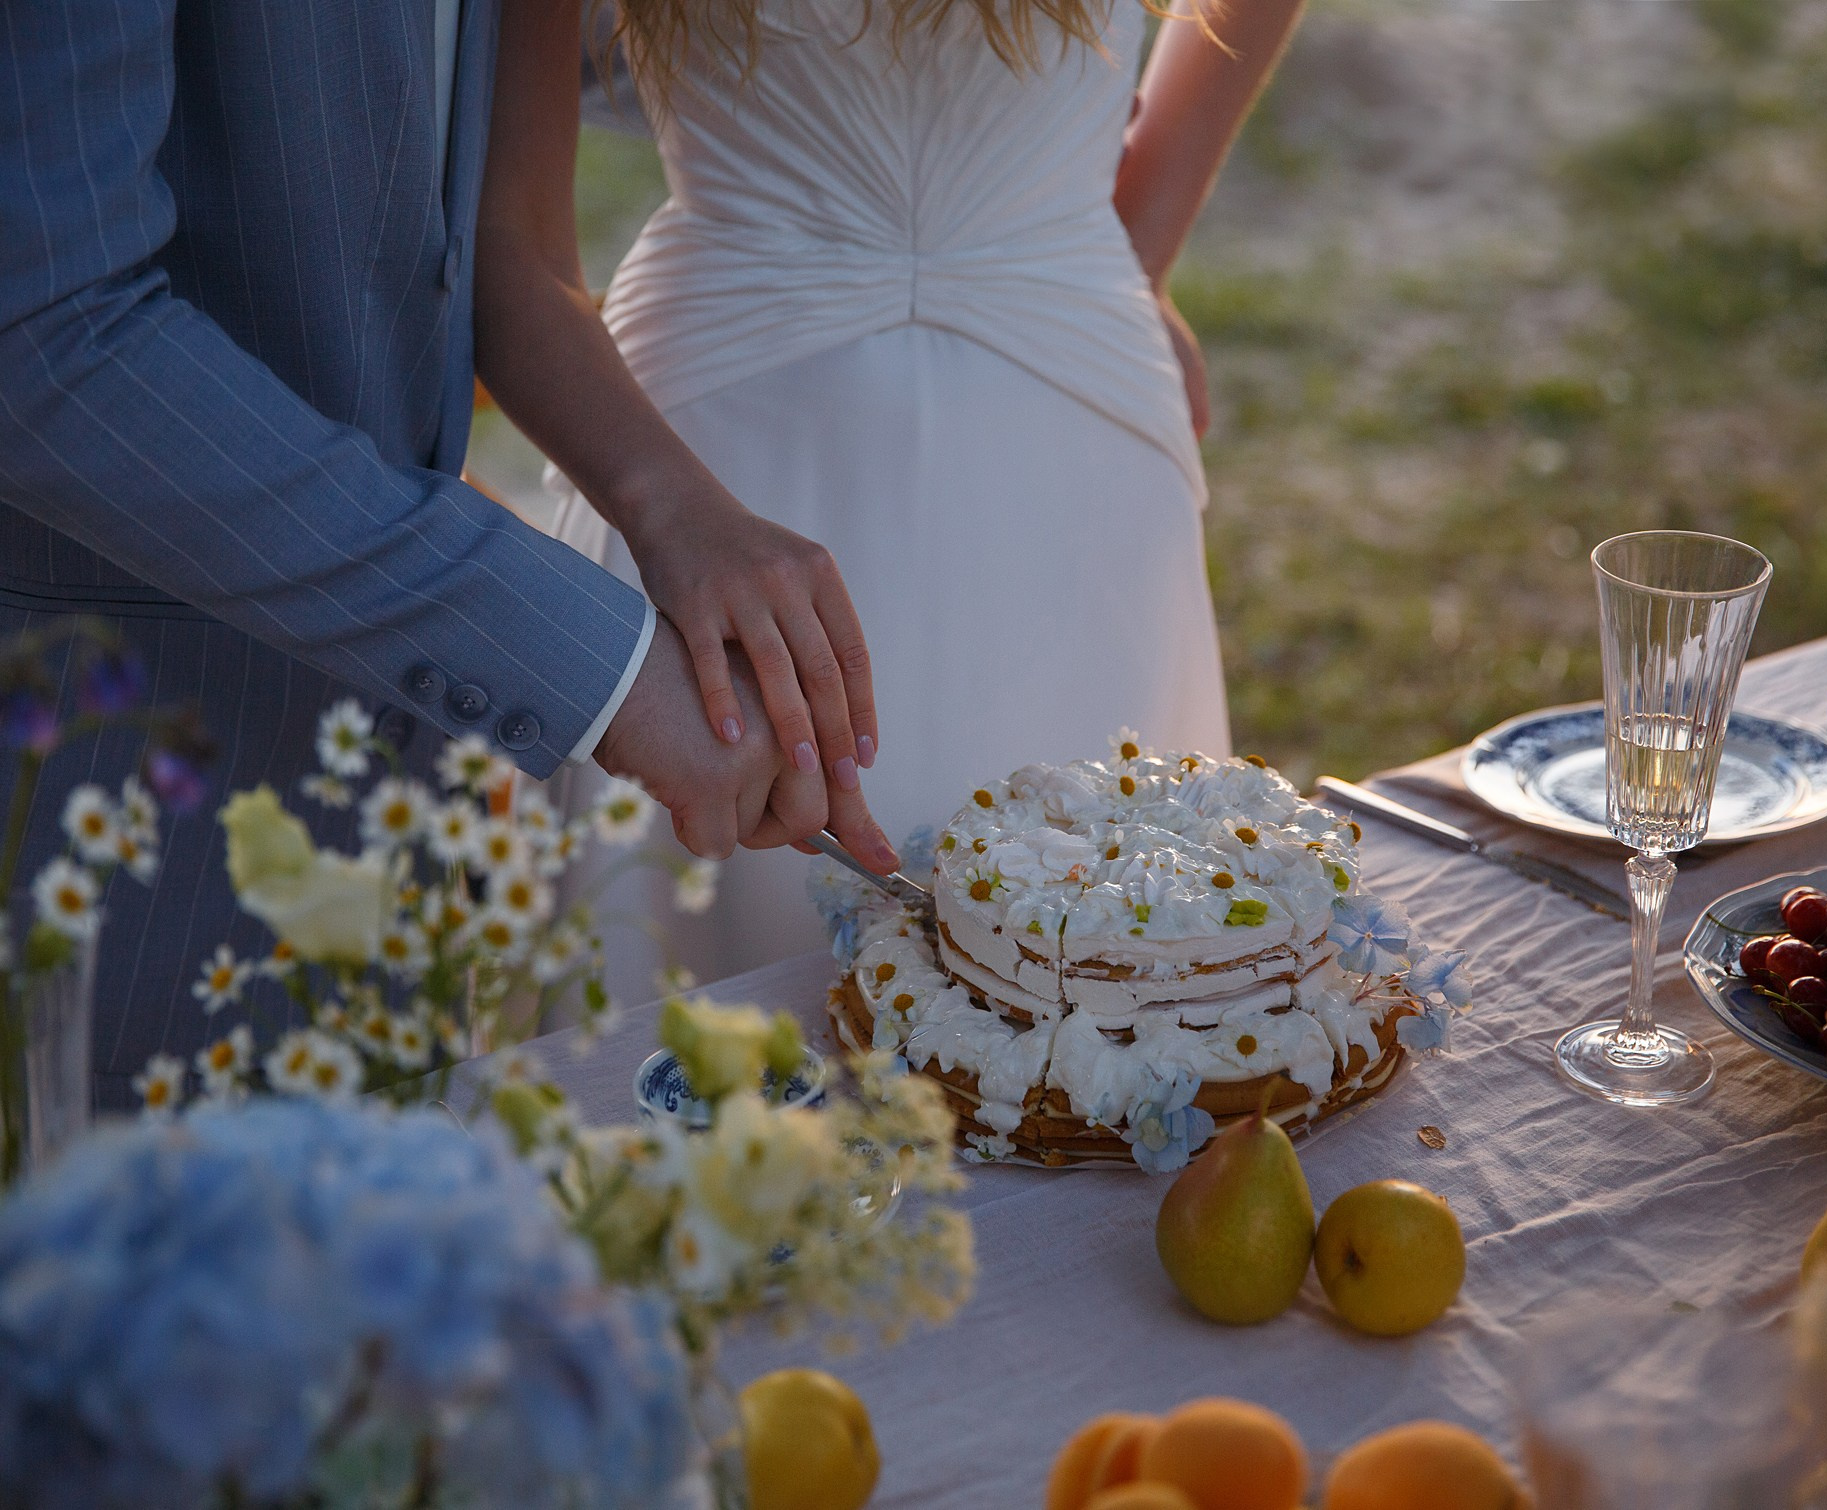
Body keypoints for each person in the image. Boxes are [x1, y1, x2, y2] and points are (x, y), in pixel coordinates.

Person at [0, 0, 894, 1106]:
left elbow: (457, 235)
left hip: (385, 833)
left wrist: (673, 506)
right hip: (118, 825)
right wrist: (593, 669)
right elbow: (43, 330)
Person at [479, 0, 1303, 985]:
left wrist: (1134, 238)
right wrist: (667, 509)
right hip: (705, 486)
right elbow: (507, 244)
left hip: (1064, 409)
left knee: (1117, 1017)